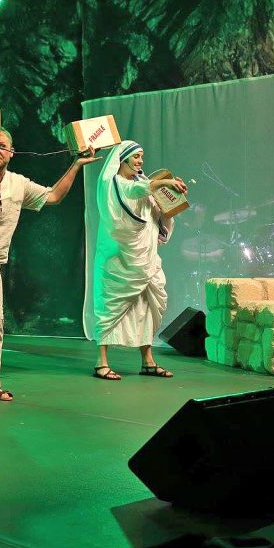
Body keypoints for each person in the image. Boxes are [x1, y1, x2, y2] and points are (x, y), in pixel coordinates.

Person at [0, 125, 98, 403]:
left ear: (12, 152)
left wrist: (76, 164)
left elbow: (53, 196)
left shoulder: (18, 183)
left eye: (1, 146)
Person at [87, 140, 186, 380]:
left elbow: (158, 212)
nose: (140, 161)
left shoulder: (143, 183)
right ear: (123, 159)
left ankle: (148, 361)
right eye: (136, 156)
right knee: (110, 305)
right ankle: (101, 362)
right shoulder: (113, 184)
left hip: (146, 258)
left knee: (147, 306)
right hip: (118, 257)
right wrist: (163, 183)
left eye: (142, 156)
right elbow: (134, 191)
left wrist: (172, 195)